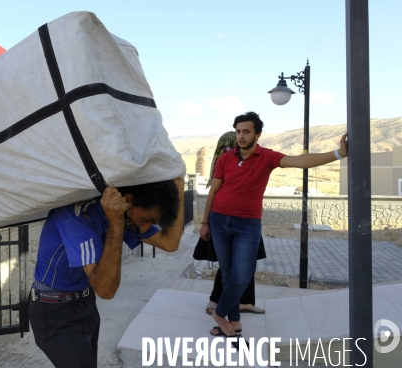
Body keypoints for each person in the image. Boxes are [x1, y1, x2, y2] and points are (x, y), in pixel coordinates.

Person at [199, 111, 347, 341]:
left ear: (257, 134)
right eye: (238, 131)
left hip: (248, 224)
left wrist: (338, 154)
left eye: (246, 131)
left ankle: (219, 314)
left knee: (242, 275)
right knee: (228, 274)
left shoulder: (267, 157)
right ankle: (234, 321)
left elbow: (300, 161)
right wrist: (204, 222)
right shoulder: (225, 159)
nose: (241, 136)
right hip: (219, 220)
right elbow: (213, 191)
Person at [29, 178, 184, 367]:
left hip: (85, 303)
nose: (144, 227)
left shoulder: (126, 216)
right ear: (128, 200)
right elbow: (105, 290)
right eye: (147, 220)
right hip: (53, 310)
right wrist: (117, 223)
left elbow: (170, 242)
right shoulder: (77, 217)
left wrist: (179, 189)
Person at [192, 131, 266, 315]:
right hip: (226, 221)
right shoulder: (227, 164)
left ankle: (246, 302)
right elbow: (214, 195)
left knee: (248, 262)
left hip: (247, 220)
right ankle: (215, 301)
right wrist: (205, 222)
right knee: (231, 267)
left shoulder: (243, 162)